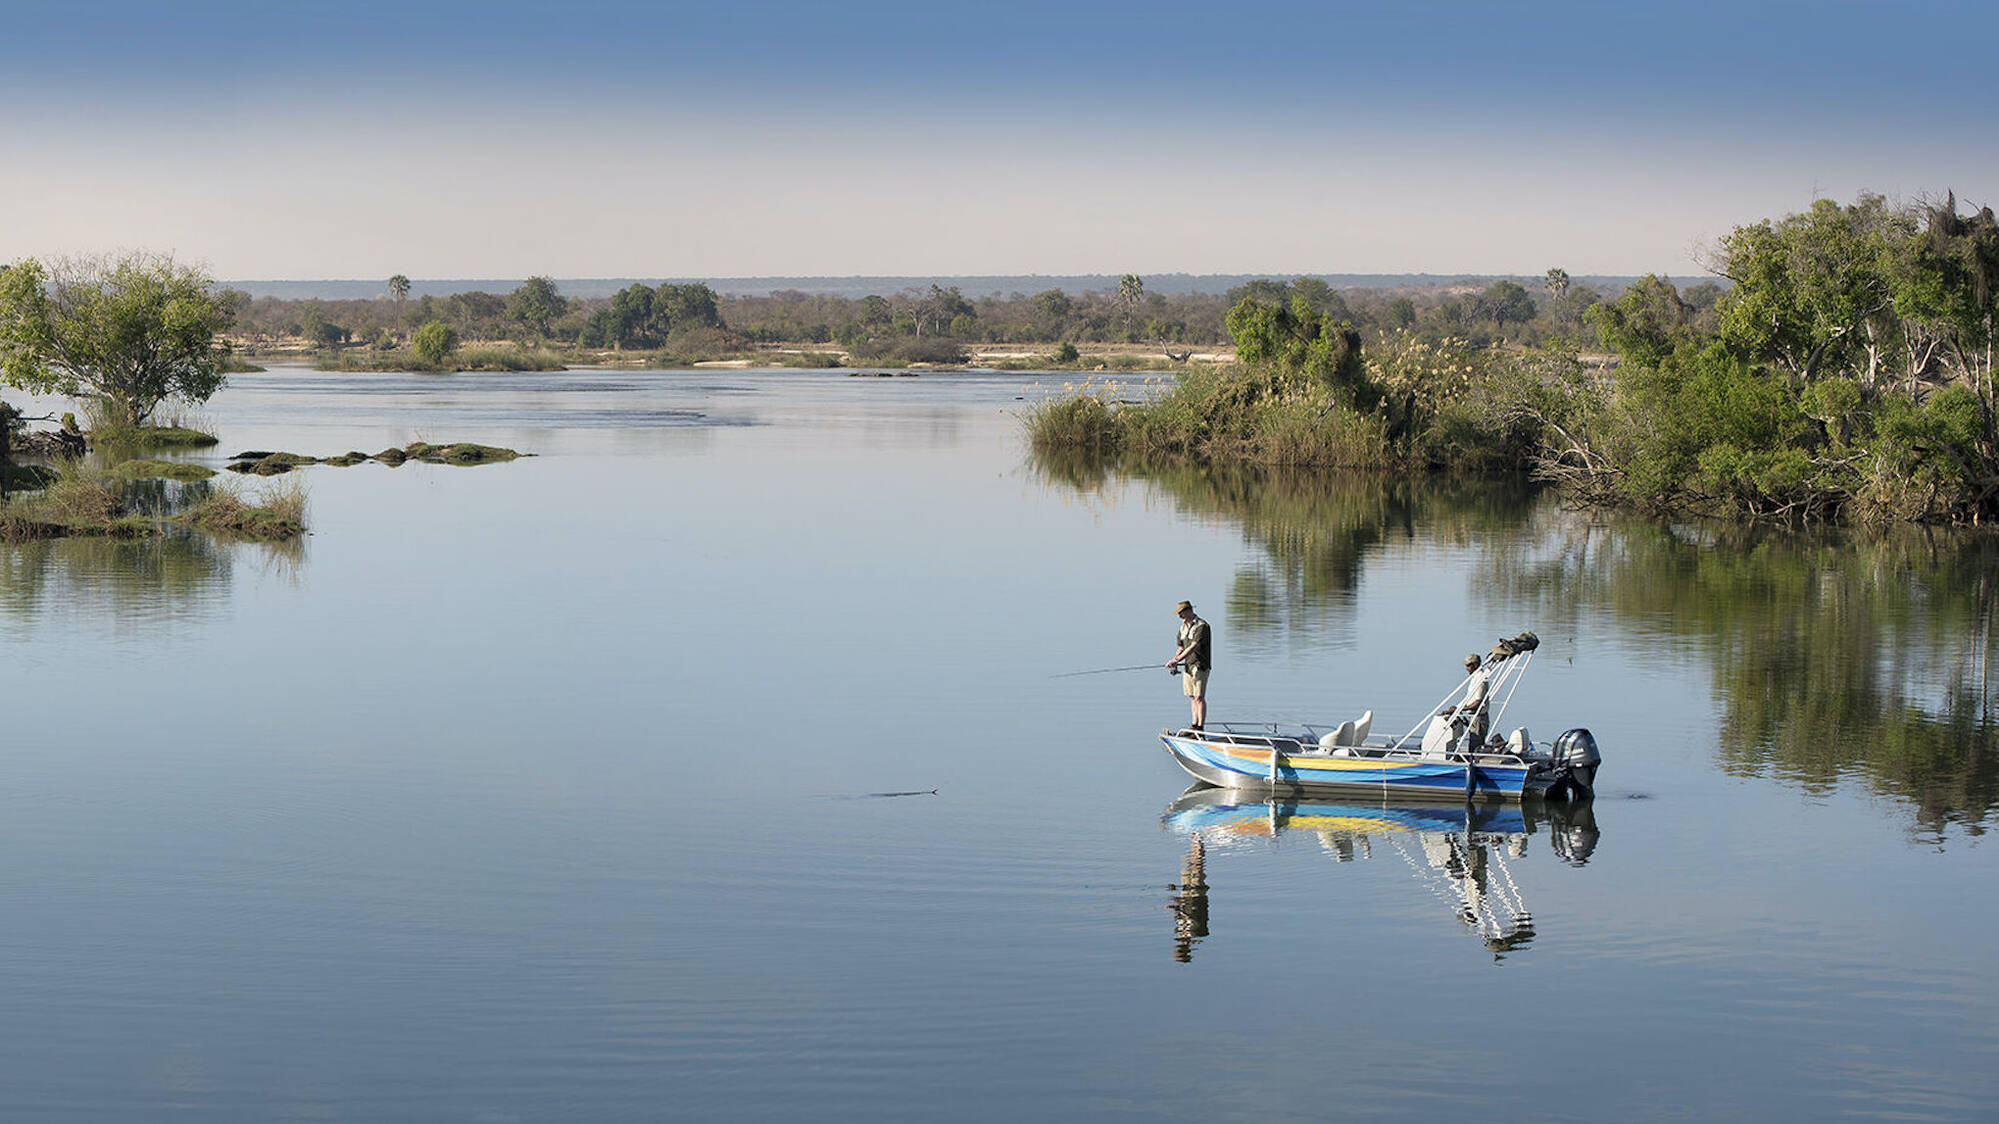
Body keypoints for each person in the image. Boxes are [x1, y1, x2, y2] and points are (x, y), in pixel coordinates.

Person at [1166, 600, 1211, 730]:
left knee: (1199, 697)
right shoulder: (1183, 627)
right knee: (1192, 697)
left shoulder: (1202, 626)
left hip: (1200, 665)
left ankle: (1200, 728)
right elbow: (1181, 647)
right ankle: (1194, 725)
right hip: (1187, 666)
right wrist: (1174, 660)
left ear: (1189, 611)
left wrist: (1178, 659)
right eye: (1179, 614)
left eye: (1182, 613)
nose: (1180, 616)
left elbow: (1193, 646)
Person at [1444, 653, 1490, 745]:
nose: (1466, 668)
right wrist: (1456, 707)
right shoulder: (1474, 678)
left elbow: (1478, 702)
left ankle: (1473, 759)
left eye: (1468, 665)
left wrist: (1460, 709)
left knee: (1475, 746)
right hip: (1474, 717)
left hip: (1479, 718)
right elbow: (1469, 698)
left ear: (1475, 665)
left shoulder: (1480, 679)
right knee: (1473, 744)